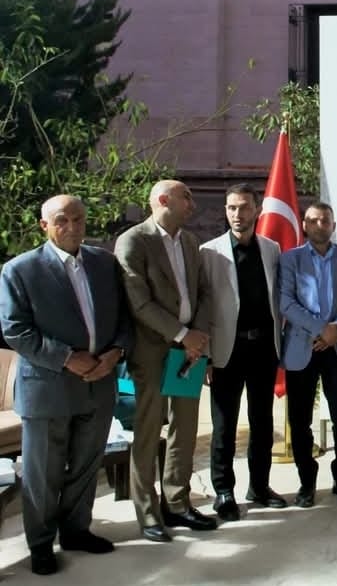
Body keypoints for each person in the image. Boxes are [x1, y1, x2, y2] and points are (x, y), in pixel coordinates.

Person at [0, 195, 133, 576]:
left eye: (78, 219)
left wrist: (115, 352)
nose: (72, 227)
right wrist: (66, 358)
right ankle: (41, 543)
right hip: (48, 387)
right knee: (43, 473)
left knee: (87, 465)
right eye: (62, 220)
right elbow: (15, 329)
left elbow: (125, 316)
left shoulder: (104, 263)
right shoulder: (20, 270)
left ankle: (76, 531)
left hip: (99, 382)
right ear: (45, 225)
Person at [115, 180, 216, 542]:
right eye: (185, 196)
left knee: (184, 430)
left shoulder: (189, 242)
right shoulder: (133, 241)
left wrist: (197, 336)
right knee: (147, 432)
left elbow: (203, 291)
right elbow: (139, 302)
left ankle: (177, 503)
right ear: (162, 200)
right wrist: (182, 335)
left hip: (189, 351)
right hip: (152, 351)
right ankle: (147, 513)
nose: (192, 203)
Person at [200, 183, 286, 519]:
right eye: (232, 208)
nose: (238, 214)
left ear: (257, 210)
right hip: (227, 349)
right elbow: (203, 306)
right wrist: (206, 355)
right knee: (224, 426)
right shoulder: (209, 252)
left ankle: (259, 486)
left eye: (244, 207)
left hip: (263, 347)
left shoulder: (272, 249)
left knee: (262, 422)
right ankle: (223, 491)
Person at [278, 201, 337, 507]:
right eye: (313, 220)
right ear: (304, 225)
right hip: (303, 347)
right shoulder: (290, 259)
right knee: (300, 421)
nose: (319, 225)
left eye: (325, 220)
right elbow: (286, 302)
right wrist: (319, 329)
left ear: (333, 226)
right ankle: (307, 482)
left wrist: (336, 328)